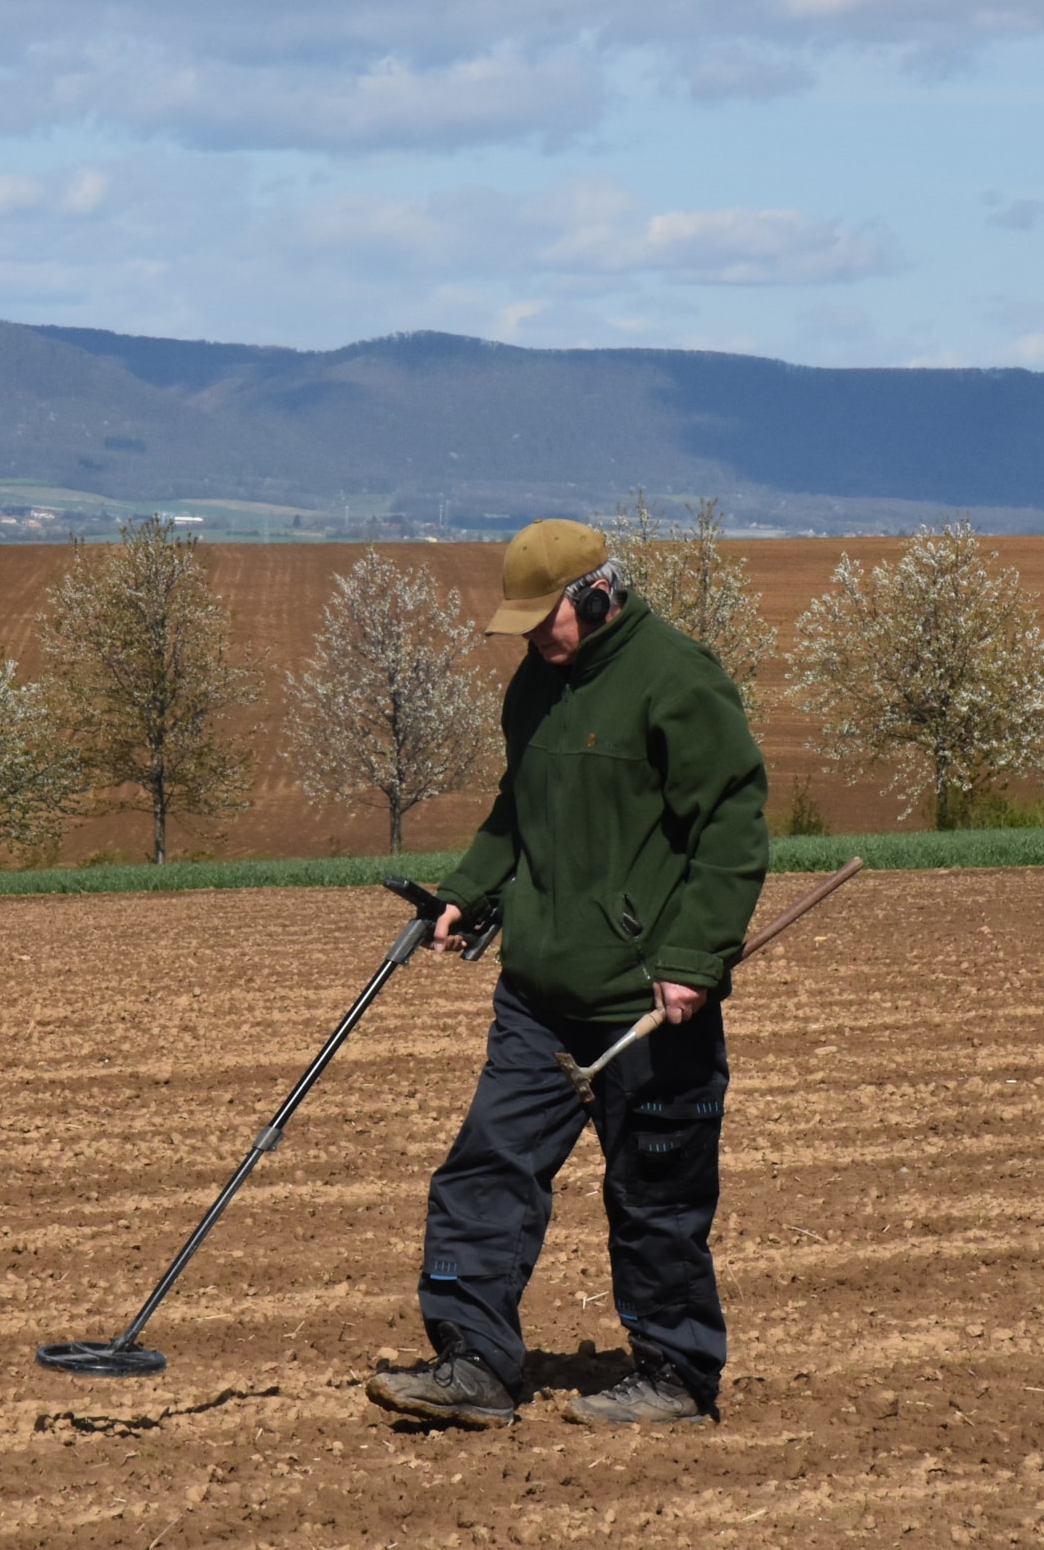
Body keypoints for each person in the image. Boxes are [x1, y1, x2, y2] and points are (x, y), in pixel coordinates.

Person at [365, 518, 769, 1428]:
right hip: (538, 1000)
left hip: (648, 1003)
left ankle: (675, 1374)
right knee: (484, 1171)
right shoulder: (536, 688)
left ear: (597, 593)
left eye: (542, 619)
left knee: (655, 1199)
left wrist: (693, 959)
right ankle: (473, 1364)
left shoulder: (677, 680)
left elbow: (732, 828)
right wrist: (467, 892)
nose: (532, 639)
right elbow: (520, 809)